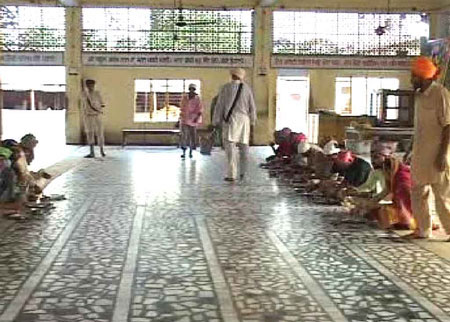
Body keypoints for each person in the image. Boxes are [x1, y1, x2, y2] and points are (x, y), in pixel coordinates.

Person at [409, 56, 450, 239]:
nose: (411, 80)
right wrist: (411, 150)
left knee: (441, 195)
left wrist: (442, 155)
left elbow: (448, 126)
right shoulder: (418, 96)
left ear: (424, 77)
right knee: (418, 192)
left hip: (436, 154)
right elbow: (419, 128)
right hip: (420, 153)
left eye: (414, 76)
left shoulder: (440, 93)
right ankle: (423, 230)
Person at [213, 68, 257, 182]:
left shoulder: (226, 88)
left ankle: (231, 174)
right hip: (244, 121)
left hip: (231, 121)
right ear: (242, 76)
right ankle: (243, 174)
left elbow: (219, 106)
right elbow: (252, 107)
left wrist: (216, 121)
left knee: (230, 149)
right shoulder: (247, 89)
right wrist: (252, 122)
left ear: (232, 76)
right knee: (244, 149)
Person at [81, 79, 106, 158]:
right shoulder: (84, 94)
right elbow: (83, 105)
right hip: (88, 116)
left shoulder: (97, 94)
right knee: (89, 133)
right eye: (89, 85)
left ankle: (102, 150)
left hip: (97, 115)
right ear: (87, 86)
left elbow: (102, 104)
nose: (91, 87)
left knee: (100, 132)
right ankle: (92, 152)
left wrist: (98, 108)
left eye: (92, 85)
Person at [179, 83, 203, 158]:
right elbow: (182, 109)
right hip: (185, 120)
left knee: (192, 136)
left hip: (193, 120)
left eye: (193, 89)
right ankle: (184, 151)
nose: (192, 91)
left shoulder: (197, 98)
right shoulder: (185, 98)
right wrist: (179, 119)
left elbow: (200, 109)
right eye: (190, 89)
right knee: (184, 136)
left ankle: (191, 152)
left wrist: (196, 118)